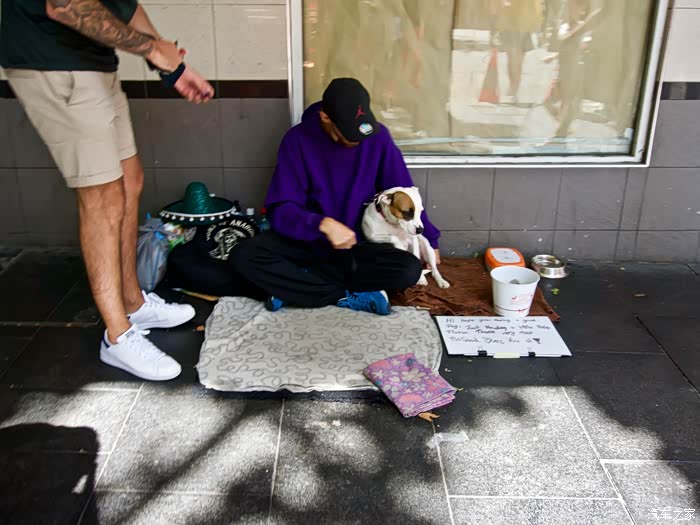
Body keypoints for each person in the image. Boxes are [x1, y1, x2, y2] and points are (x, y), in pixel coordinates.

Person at [0, 0, 215, 381]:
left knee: (130, 180)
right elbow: (64, 6)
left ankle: (133, 302)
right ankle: (117, 336)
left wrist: (171, 65)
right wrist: (151, 49)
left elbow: (123, 5)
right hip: (54, 61)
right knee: (102, 196)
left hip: (94, 62)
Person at [229, 78, 441, 315]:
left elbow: (403, 192)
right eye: (350, 135)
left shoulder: (378, 138)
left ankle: (294, 286)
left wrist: (430, 238)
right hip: (306, 242)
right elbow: (280, 209)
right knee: (243, 256)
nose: (359, 141)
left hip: (358, 247)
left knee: (408, 269)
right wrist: (322, 225)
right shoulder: (297, 140)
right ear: (325, 118)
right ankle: (343, 294)